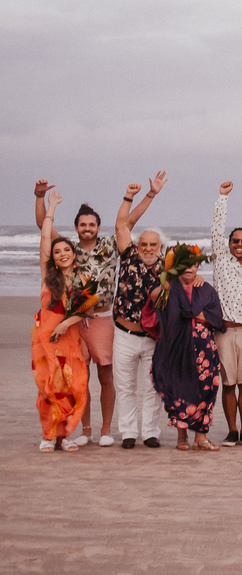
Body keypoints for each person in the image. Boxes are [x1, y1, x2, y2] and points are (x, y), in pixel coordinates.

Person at [34, 178, 159, 447]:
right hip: (73, 322)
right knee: (79, 377)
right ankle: (86, 429)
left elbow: (128, 223)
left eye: (92, 224)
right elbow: (43, 227)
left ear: (98, 227)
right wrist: (39, 197)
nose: (87, 228)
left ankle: (105, 430)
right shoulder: (69, 248)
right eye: (83, 225)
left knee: (105, 375)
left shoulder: (109, 246)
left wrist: (149, 194)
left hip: (102, 319)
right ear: (77, 228)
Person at [149, 250, 225, 452]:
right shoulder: (167, 289)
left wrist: (192, 313)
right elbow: (155, 303)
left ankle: (201, 437)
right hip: (175, 348)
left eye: (194, 265)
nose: (190, 269)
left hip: (204, 350)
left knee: (206, 392)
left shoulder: (206, 289)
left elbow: (216, 317)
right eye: (185, 265)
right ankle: (181, 436)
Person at [112, 177, 168, 449]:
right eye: (143, 244)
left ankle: (150, 432)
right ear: (137, 245)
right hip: (124, 334)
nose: (147, 248)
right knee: (124, 387)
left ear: (161, 249)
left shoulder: (167, 271)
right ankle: (129, 433)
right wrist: (140, 196)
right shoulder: (129, 257)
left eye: (153, 245)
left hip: (152, 337)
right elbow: (122, 225)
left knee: (151, 387)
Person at [32, 191, 89, 452]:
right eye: (57, 251)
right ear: (52, 256)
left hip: (68, 338)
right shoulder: (48, 276)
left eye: (67, 249)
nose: (62, 253)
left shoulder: (82, 280)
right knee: (49, 387)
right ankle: (47, 436)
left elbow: (88, 309)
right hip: (44, 339)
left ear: (73, 254)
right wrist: (50, 208)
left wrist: (66, 323)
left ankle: (64, 436)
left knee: (73, 385)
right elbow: (45, 237)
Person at [211, 182, 242, 446]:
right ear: (229, 244)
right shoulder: (221, 261)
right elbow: (216, 229)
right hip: (224, 331)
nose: (239, 244)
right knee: (228, 383)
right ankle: (232, 430)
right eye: (235, 241)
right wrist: (223, 197)